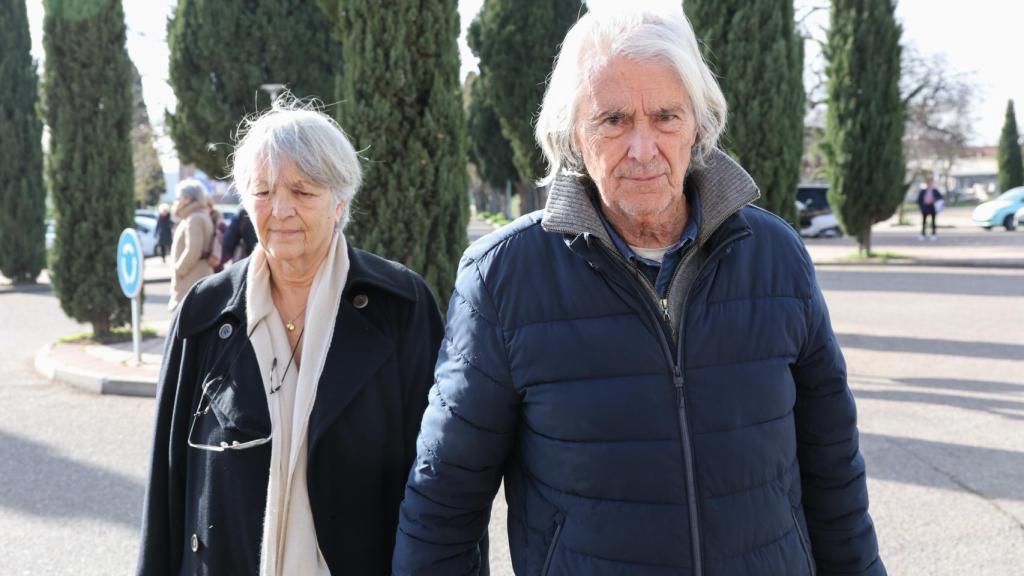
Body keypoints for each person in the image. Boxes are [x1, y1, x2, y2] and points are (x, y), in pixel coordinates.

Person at [394, 5, 885, 576]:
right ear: (574, 133)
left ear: (697, 124)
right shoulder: (504, 277)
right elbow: (445, 499)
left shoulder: (775, 255)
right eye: (614, 120)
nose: (644, 147)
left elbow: (834, 469)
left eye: (666, 117)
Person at [136, 101, 446, 575]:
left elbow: (441, 482)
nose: (280, 209)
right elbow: (168, 481)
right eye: (262, 191)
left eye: (302, 190)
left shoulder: (401, 308)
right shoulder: (203, 313)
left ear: (340, 201)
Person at [168, 180, 215, 310]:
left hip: (190, 280)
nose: (176, 201)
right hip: (197, 278)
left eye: (178, 198)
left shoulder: (194, 219)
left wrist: (179, 270)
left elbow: (193, 250)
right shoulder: (200, 216)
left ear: (186, 199)